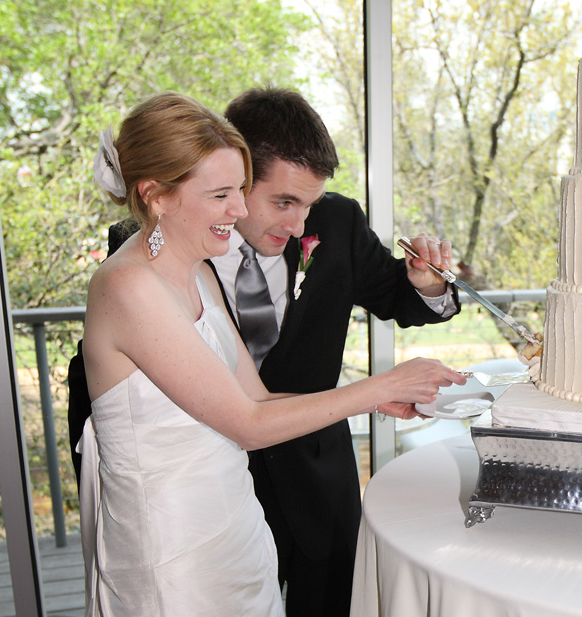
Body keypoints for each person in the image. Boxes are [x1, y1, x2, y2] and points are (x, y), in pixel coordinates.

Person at [79, 91, 465, 615]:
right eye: (228, 194)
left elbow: (255, 397)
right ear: (158, 195)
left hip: (254, 509)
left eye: (238, 192)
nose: (300, 227)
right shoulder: (138, 274)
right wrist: (379, 386)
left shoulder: (201, 267)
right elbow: (235, 419)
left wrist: (373, 397)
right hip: (174, 532)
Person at [217, 86, 462, 617]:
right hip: (212, 484)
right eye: (283, 202)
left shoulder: (336, 221)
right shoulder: (160, 243)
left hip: (316, 478)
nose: (300, 225)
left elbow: (401, 298)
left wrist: (426, 283)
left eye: (309, 203)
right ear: (234, 177)